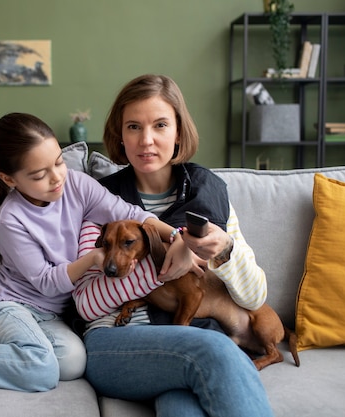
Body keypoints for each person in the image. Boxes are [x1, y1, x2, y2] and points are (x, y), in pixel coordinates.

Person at [0, 112, 195, 392]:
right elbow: (46, 282)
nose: (56, 178)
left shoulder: (77, 184)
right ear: (9, 179)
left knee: (73, 364)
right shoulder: (11, 218)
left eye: (59, 162)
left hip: (50, 316)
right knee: (43, 370)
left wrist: (178, 237)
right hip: (8, 305)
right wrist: (92, 258)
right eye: (40, 175)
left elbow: (128, 212)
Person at [72, 74, 274, 416]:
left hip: (186, 342)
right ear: (120, 135)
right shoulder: (100, 201)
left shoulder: (210, 196)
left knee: (183, 407)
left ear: (178, 131)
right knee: (214, 350)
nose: (146, 140)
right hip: (116, 344)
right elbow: (86, 302)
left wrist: (224, 250)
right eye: (133, 127)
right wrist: (167, 256)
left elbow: (254, 299)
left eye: (160, 125)